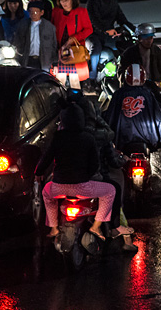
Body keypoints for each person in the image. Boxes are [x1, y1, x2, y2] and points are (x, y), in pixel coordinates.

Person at [35, 103, 116, 240]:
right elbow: (95, 164)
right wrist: (86, 176)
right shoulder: (88, 138)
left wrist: (38, 172)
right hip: (83, 188)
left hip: (58, 187)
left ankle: (53, 228)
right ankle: (96, 226)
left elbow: (46, 158)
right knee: (110, 191)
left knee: (46, 193)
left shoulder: (58, 137)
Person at [106, 64, 161, 150]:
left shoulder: (119, 94)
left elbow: (110, 116)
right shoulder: (148, 94)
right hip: (147, 138)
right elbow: (159, 115)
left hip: (123, 139)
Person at [85, 0, 131, 79]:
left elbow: (121, 18)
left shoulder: (113, 2)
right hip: (93, 34)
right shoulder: (93, 1)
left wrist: (132, 28)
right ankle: (92, 76)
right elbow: (94, 20)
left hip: (109, 34)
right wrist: (105, 30)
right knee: (95, 49)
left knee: (123, 48)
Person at [52, 0, 93, 65]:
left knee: (76, 75)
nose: (63, 3)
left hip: (76, 50)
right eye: (61, 0)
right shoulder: (56, 11)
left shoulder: (81, 12)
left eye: (66, 0)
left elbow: (89, 29)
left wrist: (75, 38)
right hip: (59, 49)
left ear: (72, 0)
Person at [14, 0, 57, 69]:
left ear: (42, 12)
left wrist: (54, 63)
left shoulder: (49, 27)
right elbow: (17, 42)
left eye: (36, 12)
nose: (33, 14)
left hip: (44, 61)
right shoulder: (23, 25)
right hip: (27, 60)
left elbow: (53, 46)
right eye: (31, 12)